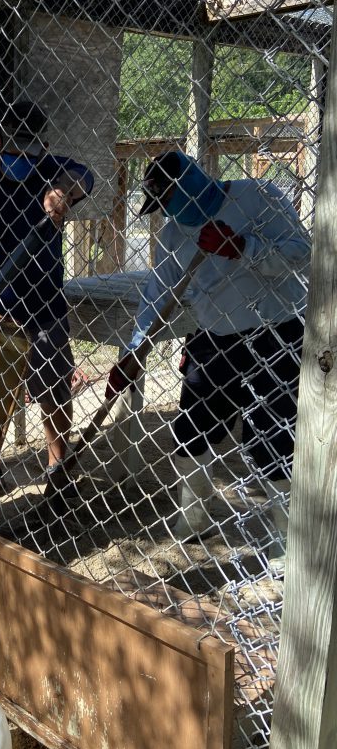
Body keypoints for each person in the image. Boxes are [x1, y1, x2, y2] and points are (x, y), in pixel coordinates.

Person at [107, 149, 310, 562]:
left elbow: (301, 253)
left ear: (190, 186)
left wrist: (244, 246)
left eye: (168, 200)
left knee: (270, 438)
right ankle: (194, 515)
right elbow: (156, 295)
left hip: (276, 331)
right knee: (191, 431)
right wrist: (133, 352)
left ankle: (286, 536)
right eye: (159, 205)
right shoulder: (172, 236)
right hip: (214, 337)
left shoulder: (260, 196)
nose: (164, 211)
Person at [0, 99, 94, 505]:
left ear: (40, 145)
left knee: (53, 388)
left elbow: (85, 176)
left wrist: (63, 191)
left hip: (43, 303)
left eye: (30, 150)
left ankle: (57, 471)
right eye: (13, 149)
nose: (21, 158)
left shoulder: (47, 168)